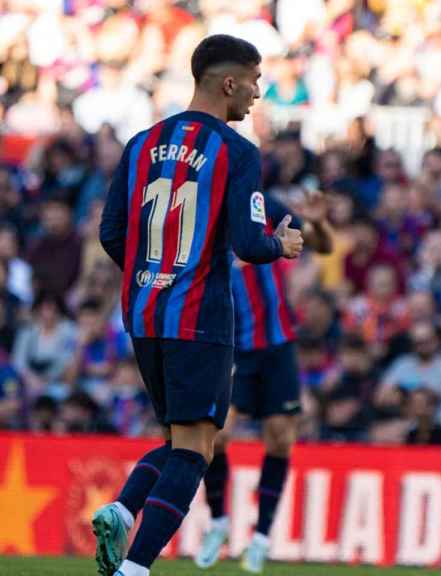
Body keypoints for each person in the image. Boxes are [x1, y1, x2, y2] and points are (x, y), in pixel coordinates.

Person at [93, 35, 303, 576]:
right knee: (194, 451)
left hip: (143, 313)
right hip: (199, 319)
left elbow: (112, 233)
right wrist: (284, 244)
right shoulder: (237, 153)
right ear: (228, 82)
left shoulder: (141, 144)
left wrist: (156, 274)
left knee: (180, 437)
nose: (259, 93)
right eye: (255, 81)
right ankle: (135, 568)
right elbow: (250, 246)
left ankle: (121, 509)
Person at [196, 191, 331, 572]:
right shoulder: (198, 214)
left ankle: (261, 537)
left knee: (280, 439)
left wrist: (317, 222)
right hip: (233, 348)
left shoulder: (263, 206)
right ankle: (219, 521)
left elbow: (323, 245)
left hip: (277, 346)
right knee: (216, 437)